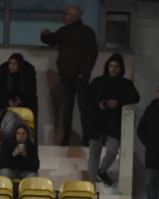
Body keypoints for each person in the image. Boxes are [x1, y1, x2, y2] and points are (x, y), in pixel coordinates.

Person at [40, 4, 97, 146]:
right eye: (65, 14)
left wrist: (84, 73)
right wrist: (44, 35)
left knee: (84, 108)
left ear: (75, 17)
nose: (64, 16)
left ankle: (86, 139)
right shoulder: (63, 31)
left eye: (67, 14)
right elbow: (51, 40)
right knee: (67, 108)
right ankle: (65, 138)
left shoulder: (87, 32)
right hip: (66, 76)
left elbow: (91, 54)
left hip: (80, 76)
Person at [87, 53, 139, 187]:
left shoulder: (126, 84)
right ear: (107, 67)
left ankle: (102, 170)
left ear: (121, 68)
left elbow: (135, 98)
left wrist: (118, 102)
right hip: (96, 121)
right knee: (94, 153)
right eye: (111, 66)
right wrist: (99, 104)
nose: (113, 69)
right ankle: (91, 184)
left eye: (116, 66)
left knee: (112, 150)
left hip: (114, 123)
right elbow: (87, 99)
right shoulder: (97, 82)